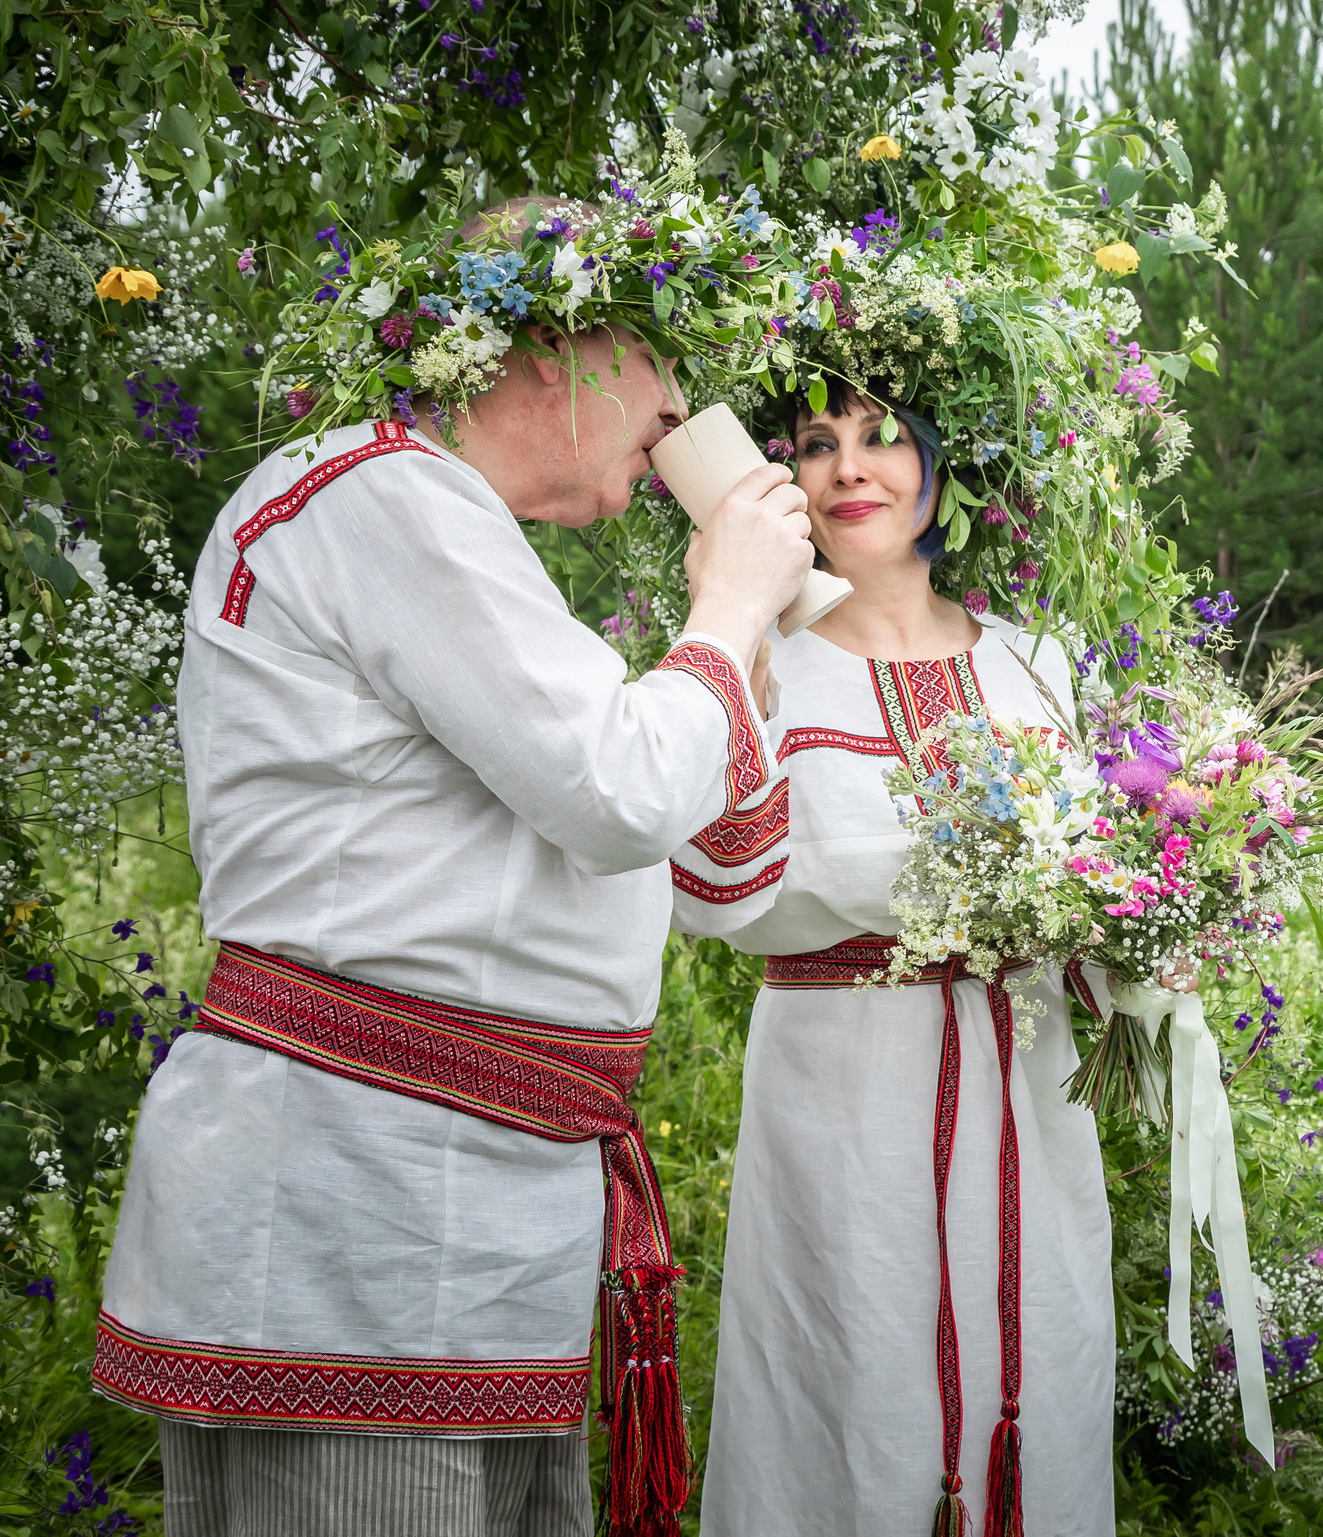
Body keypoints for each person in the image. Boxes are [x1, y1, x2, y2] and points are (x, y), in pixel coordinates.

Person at [92, 198, 815, 1537]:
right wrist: (724, 610)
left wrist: (746, 640)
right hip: (353, 1216)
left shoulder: (460, 536)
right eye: (666, 366)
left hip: (465, 1224)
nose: (682, 417)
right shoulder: (379, 493)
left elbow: (712, 868)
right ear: (556, 349)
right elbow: (619, 791)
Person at [667, 381, 1113, 1537]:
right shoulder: (755, 659)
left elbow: (1110, 873)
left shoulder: (1038, 663)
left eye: (883, 439)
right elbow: (711, 885)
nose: (851, 470)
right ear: (781, 484)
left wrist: (1159, 924)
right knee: (853, 1375)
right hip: (845, 1084)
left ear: (945, 467)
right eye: (818, 446)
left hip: (1029, 1085)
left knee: (1044, 1351)